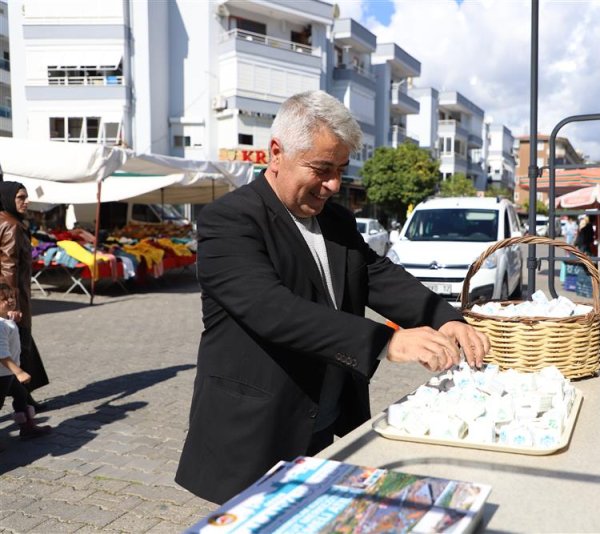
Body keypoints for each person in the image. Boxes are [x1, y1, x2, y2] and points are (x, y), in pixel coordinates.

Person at [175, 91, 490, 505]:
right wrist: (387, 342)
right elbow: (271, 309)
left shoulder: (335, 218)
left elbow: (376, 273)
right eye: (322, 169)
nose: (333, 185)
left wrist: (443, 317)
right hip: (258, 430)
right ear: (276, 153)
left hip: (324, 421)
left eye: (340, 170)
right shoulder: (230, 219)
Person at [0, 182, 49, 411]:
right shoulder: (12, 226)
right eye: (21, 197)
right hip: (11, 300)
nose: (26, 201)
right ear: (9, 198)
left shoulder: (4, 221)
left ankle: (25, 406)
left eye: (27, 197)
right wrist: (12, 304)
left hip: (6, 298)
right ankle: (24, 406)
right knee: (19, 350)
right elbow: (8, 267)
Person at [0, 283, 51, 448]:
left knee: (22, 395)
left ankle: (27, 427)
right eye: (4, 299)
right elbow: (1, 355)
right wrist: (19, 372)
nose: (10, 301)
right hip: (2, 374)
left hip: (8, 374)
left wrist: (12, 319)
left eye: (12, 297)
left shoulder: (5, 320)